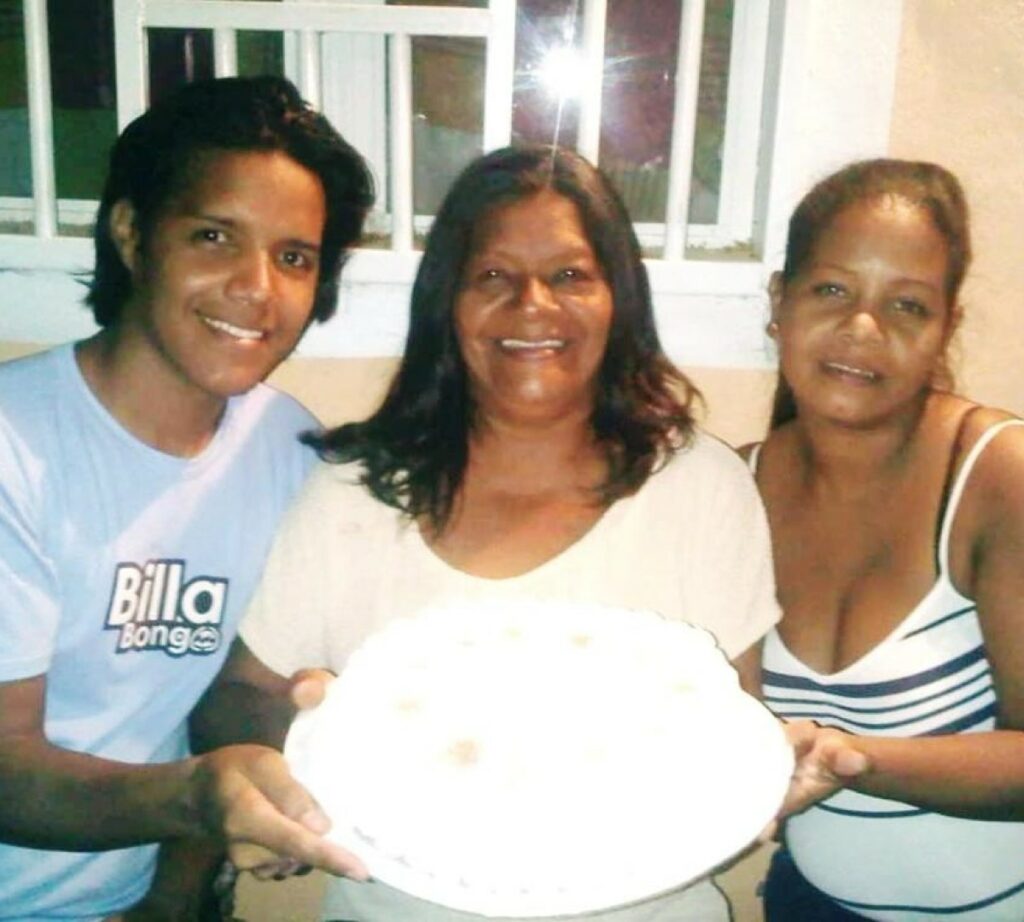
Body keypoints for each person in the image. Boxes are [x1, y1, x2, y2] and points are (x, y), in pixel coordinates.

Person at [189, 143, 784, 922]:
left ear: (618, 298)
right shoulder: (355, 492)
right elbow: (233, 699)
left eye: (570, 275)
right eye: (494, 277)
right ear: (448, 304)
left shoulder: (702, 488)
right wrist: (313, 735)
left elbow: (730, 730)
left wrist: (770, 778)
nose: (533, 306)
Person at [0, 75, 375, 920]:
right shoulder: (14, 447)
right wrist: (204, 797)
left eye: (294, 257)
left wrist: (177, 888)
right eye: (214, 236)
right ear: (132, 234)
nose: (257, 288)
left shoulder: (283, 446)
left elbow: (224, 711)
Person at [748, 159, 1024, 921]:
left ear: (945, 330)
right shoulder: (737, 486)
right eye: (832, 289)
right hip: (809, 904)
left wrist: (853, 759)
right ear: (780, 301)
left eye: (907, 305)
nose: (862, 328)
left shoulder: (996, 476)